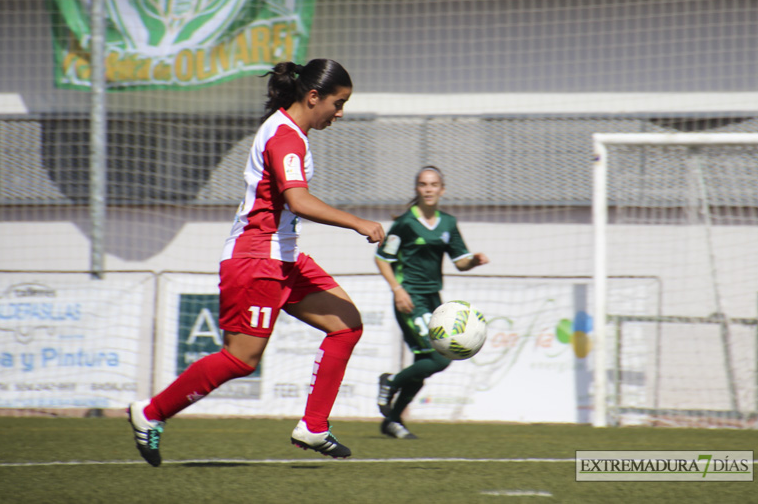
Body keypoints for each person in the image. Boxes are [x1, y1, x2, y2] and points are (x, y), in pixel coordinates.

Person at [128, 59, 385, 466]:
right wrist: (357, 222)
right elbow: (298, 200)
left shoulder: (290, 132)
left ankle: (314, 427)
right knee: (240, 359)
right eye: (338, 103)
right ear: (313, 96)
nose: (341, 113)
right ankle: (150, 412)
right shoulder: (285, 137)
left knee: (347, 325)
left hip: (282, 255)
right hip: (257, 258)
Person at [374, 166, 488, 439]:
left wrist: (473, 260)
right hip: (410, 298)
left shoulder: (448, 223)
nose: (428, 189)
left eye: (434, 184)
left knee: (422, 366)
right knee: (439, 357)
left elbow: (460, 262)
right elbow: (382, 258)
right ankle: (390, 382)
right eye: (423, 184)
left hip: (434, 299)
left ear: (442, 189)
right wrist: (397, 290)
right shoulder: (404, 223)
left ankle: (393, 420)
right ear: (417, 189)